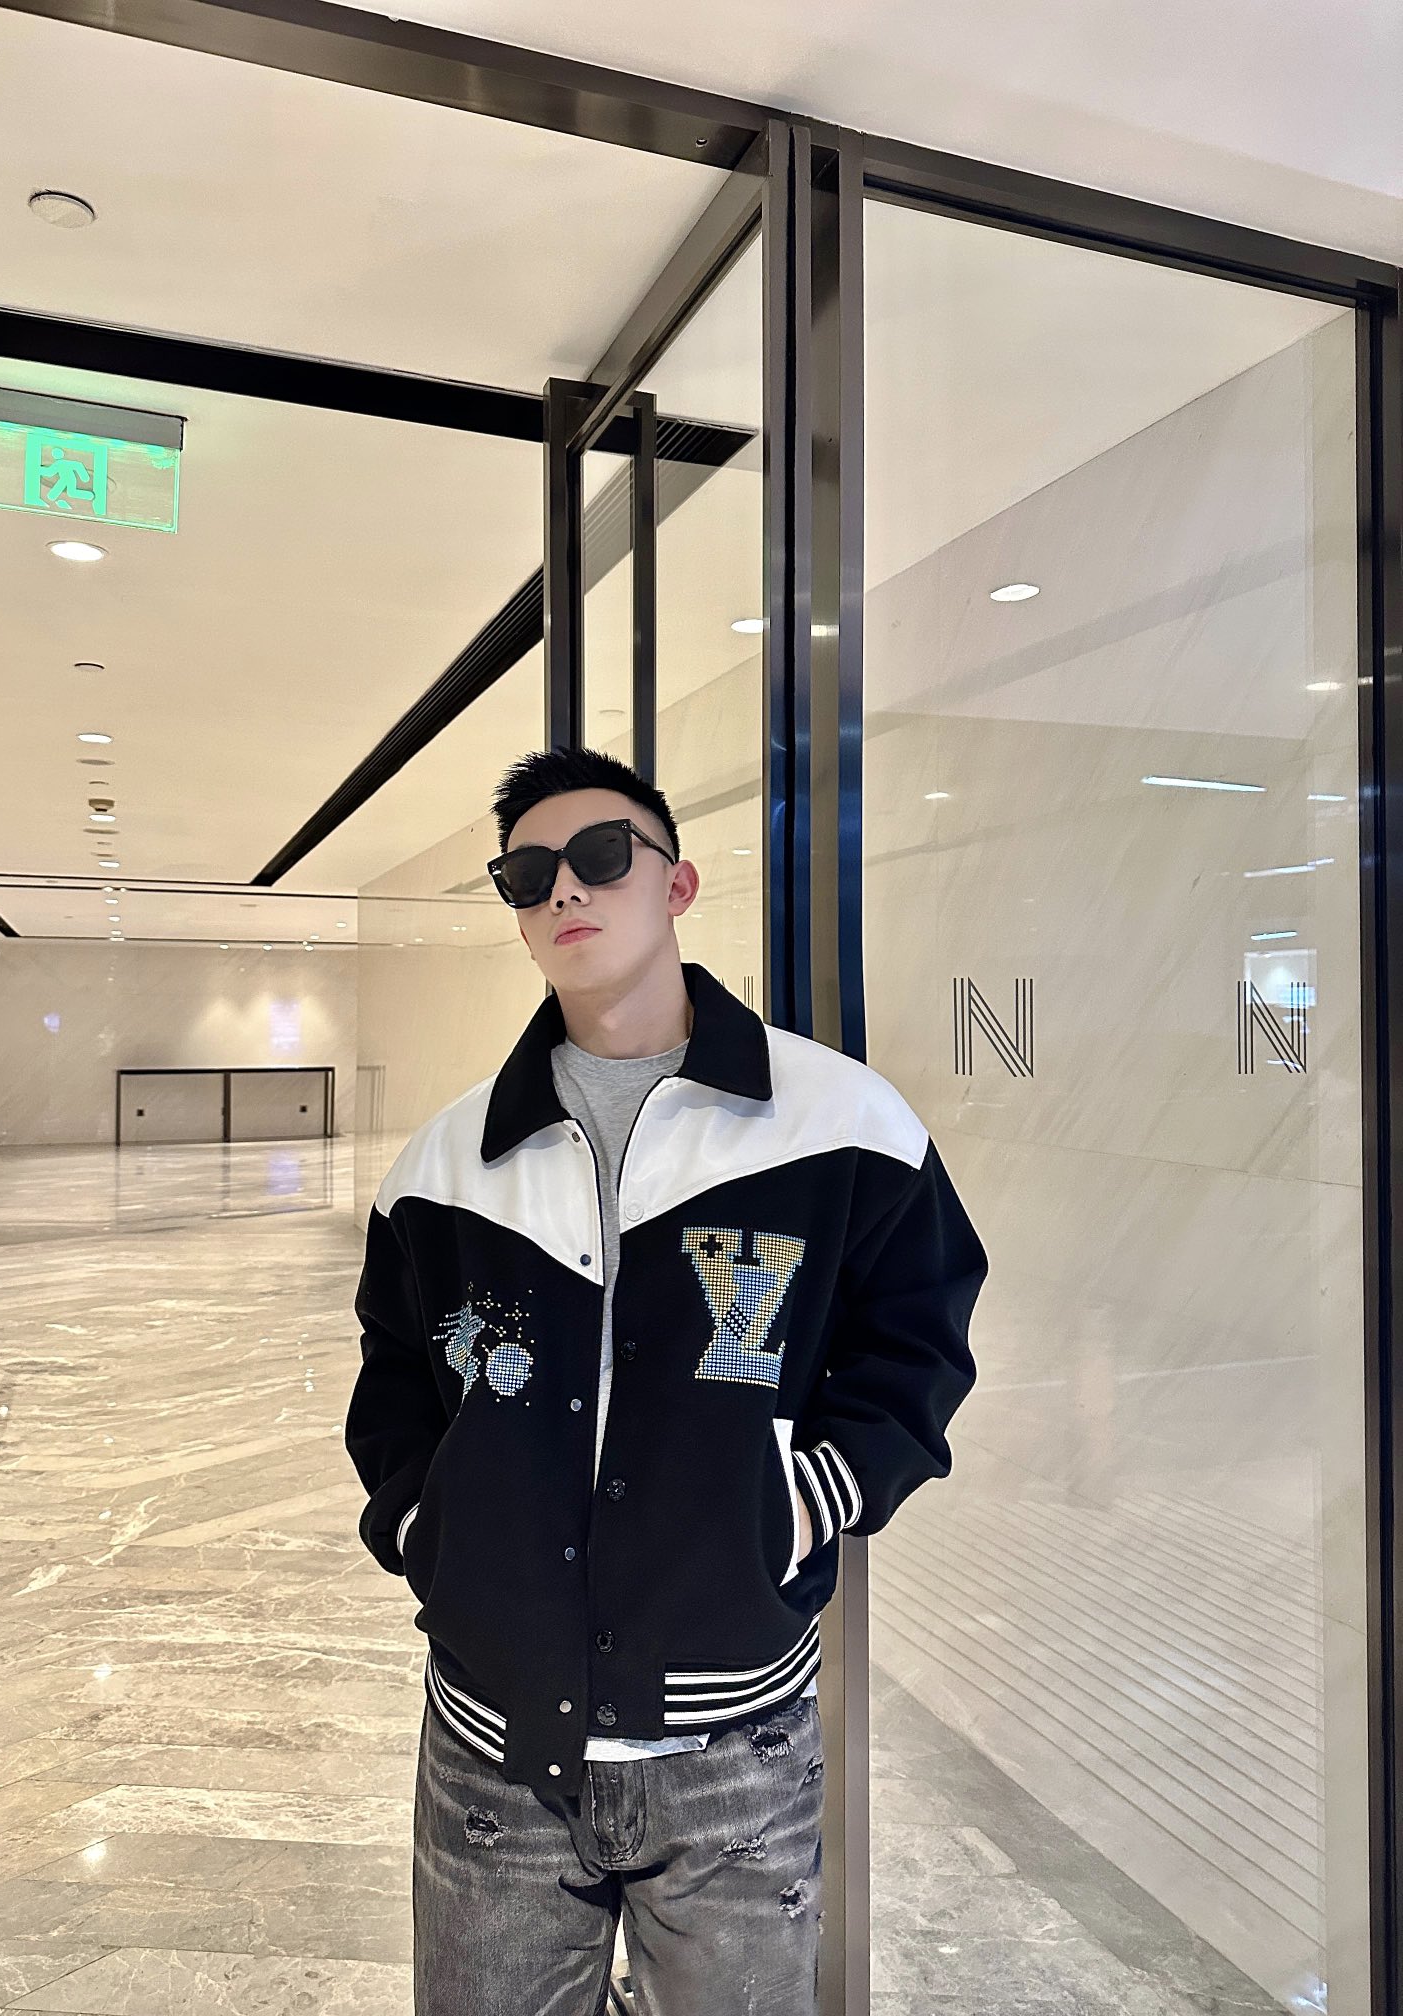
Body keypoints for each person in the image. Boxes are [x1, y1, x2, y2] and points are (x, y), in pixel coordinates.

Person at [344, 746, 989, 2015]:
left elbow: (917, 1342)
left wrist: (806, 1498)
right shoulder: (446, 1164)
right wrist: (428, 1524)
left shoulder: (838, 1125)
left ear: (678, 884)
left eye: (600, 857)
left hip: (733, 1747)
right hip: (491, 1741)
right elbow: (394, 1377)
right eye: (529, 874)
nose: (564, 890)